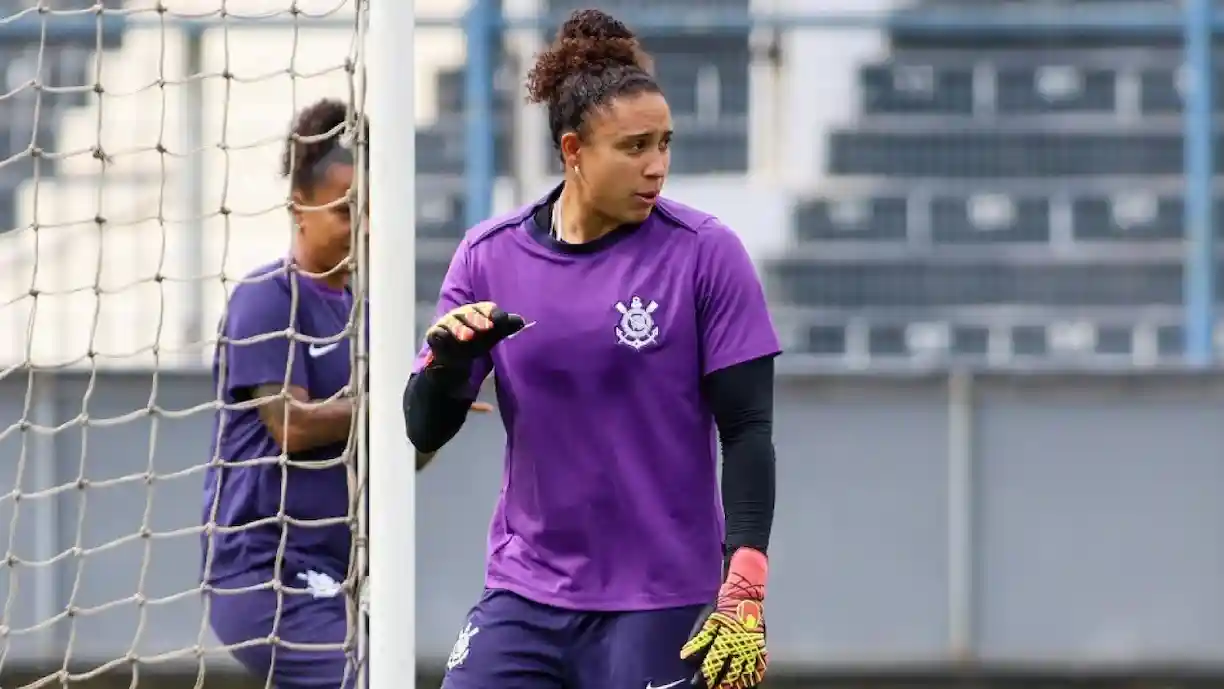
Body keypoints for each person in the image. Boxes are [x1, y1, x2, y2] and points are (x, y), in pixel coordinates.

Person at [405, 9, 779, 689]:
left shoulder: (706, 255)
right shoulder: (489, 256)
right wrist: (447, 361)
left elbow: (749, 429)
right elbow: (424, 426)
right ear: (574, 151)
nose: (657, 165)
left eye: (664, 143)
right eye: (634, 147)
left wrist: (745, 581)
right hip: (527, 592)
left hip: (661, 598)